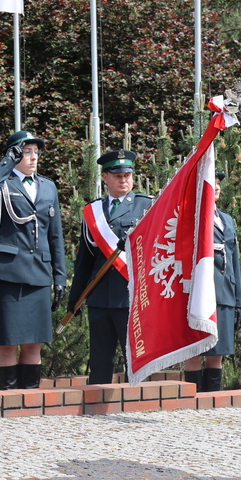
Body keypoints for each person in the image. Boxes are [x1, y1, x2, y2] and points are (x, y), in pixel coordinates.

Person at [0, 130, 66, 390]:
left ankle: (29, 401)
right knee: (7, 342)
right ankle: (7, 401)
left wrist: (59, 277)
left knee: (34, 342)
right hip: (6, 273)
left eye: (36, 152)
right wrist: (5, 163)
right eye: (27, 151)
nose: (34, 157)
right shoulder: (3, 182)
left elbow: (55, 235)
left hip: (38, 273)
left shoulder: (48, 186)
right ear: (14, 154)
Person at [67, 150, 151, 384]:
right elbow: (85, 257)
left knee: (134, 357)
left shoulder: (146, 205)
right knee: (100, 359)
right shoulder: (93, 211)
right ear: (106, 177)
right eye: (118, 175)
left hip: (132, 295)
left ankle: (136, 405)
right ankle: (97, 406)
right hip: (100, 295)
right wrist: (76, 296)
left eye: (127, 175)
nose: (124, 179)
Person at [184, 171, 241, 392]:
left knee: (217, 354)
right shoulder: (191, 218)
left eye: (218, 184)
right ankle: (192, 401)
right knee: (195, 353)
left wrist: (239, 302)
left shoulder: (226, 219)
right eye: (212, 184)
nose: (217, 187)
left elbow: (234, 261)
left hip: (225, 294)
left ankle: (212, 402)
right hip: (200, 296)